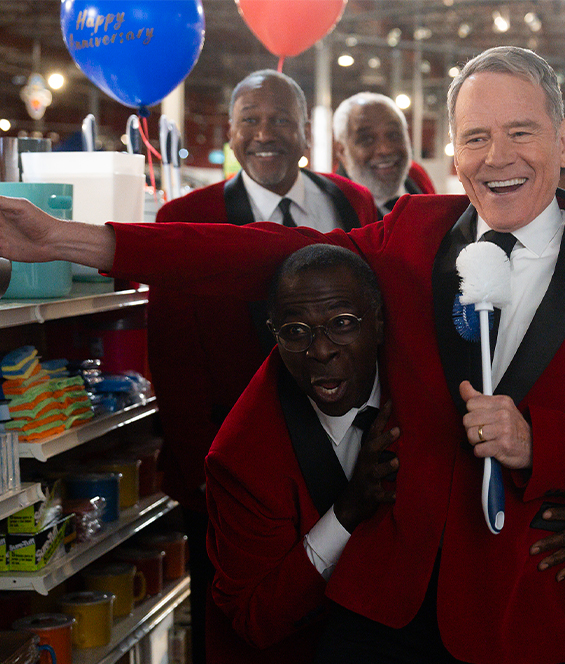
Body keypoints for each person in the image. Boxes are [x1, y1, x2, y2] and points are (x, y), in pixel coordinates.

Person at [0, 46, 565, 664]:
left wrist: (545, 444)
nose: (497, 157)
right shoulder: (412, 231)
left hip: (533, 616)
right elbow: (263, 255)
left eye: (521, 132)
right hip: (384, 610)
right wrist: (77, 240)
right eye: (476, 136)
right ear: (453, 148)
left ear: (564, 134)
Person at [145, 69, 378, 664]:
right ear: (230, 132)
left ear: (307, 133)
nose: (264, 134)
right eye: (250, 120)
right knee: (238, 628)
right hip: (238, 471)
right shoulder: (185, 219)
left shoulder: (349, 202)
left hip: (348, 454)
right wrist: (203, 470)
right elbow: (173, 358)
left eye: (280, 120)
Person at [205, 244, 398, 661]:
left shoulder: (426, 385)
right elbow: (253, 617)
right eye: (296, 331)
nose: (320, 350)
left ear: (379, 323)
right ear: (273, 332)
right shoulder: (242, 459)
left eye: (342, 323)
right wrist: (347, 512)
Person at [332, 92, 437, 218]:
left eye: (394, 135)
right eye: (367, 139)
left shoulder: (415, 175)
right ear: (342, 150)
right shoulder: (331, 207)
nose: (385, 149)